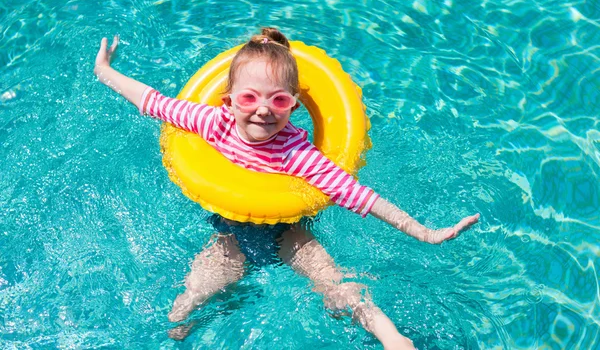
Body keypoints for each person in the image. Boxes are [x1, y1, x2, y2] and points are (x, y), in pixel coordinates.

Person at [94, 28, 479, 350]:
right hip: (230, 230)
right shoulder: (212, 122)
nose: (263, 110)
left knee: (338, 286)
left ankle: (393, 339)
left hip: (288, 234)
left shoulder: (295, 151)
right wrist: (104, 70)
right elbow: (153, 102)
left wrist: (424, 232)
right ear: (228, 100)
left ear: (294, 107)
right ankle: (180, 334)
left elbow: (356, 195)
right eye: (249, 97)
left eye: (278, 100)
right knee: (190, 299)